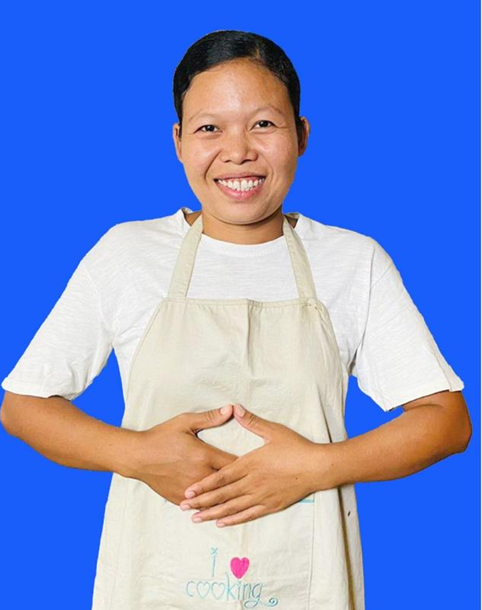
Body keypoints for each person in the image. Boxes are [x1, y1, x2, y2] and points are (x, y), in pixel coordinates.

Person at [0, 30, 471, 610]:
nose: (238, 151)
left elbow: (446, 422)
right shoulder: (127, 255)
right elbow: (23, 405)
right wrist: (137, 455)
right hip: (153, 585)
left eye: (263, 124)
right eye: (209, 128)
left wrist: (317, 466)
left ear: (302, 135)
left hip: (307, 585)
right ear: (178, 141)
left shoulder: (352, 261)